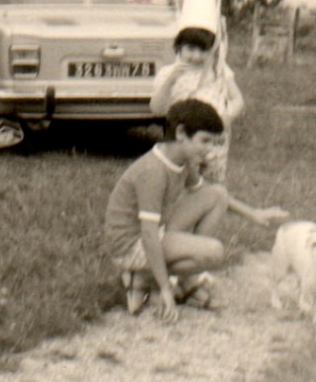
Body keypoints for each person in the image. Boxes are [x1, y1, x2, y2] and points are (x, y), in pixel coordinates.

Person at [104, 98, 287, 322]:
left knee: (217, 194)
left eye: (213, 142)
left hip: (155, 232)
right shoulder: (153, 171)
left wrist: (254, 214)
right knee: (213, 252)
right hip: (130, 245)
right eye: (205, 141)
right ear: (181, 133)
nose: (210, 149)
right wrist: (165, 291)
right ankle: (143, 279)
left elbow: (209, 193)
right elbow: (149, 235)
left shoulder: (184, 160)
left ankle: (183, 281)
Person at [149, 26, 246, 185]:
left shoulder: (218, 71)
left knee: (212, 182)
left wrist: (225, 119)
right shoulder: (168, 73)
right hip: (181, 138)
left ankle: (212, 205)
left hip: (212, 139)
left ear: (212, 51)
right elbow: (156, 108)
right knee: (180, 181)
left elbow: (237, 99)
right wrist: (171, 80)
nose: (196, 56)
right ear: (179, 47)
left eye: (203, 50)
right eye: (190, 49)